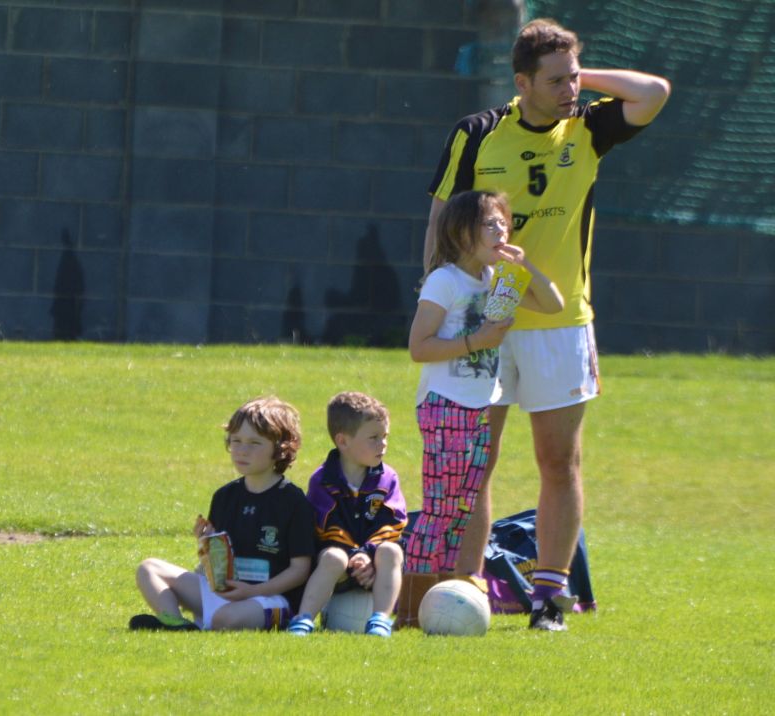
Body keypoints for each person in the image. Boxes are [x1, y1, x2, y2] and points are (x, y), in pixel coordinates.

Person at [424, 18, 669, 631]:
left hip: (561, 324)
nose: (570, 90)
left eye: (574, 77)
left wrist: (587, 75)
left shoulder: (590, 126)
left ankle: (549, 599)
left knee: (559, 461)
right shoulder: (478, 134)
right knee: (476, 461)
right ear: (522, 81)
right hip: (485, 323)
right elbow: (438, 227)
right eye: (556, 80)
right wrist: (439, 301)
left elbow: (654, 91)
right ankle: (464, 590)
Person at [404, 191, 561, 586]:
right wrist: (478, 341)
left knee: (463, 508)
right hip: (445, 406)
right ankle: (410, 598)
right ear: (460, 233)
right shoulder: (445, 280)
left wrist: (525, 266)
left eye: (504, 223)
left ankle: (446, 591)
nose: (502, 230)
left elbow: (554, 302)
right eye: (490, 224)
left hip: (480, 409)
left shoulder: (497, 279)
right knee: (440, 510)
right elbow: (419, 348)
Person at [130, 397, 316, 632]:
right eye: (236, 441)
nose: (241, 450)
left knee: (225, 620)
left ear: (281, 448)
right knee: (149, 568)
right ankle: (177, 624)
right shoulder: (225, 496)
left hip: (267, 598)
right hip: (225, 593)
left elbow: (300, 571)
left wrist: (253, 591)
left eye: (254, 443)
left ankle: (208, 621)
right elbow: (217, 563)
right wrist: (207, 543)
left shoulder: (293, 501)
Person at [287, 392, 407, 637]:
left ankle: (381, 620)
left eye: (385, 437)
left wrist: (369, 554)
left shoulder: (387, 478)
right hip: (340, 566)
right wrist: (355, 555)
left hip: (374, 565)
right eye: (373, 438)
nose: (382, 444)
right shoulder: (323, 480)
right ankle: (304, 619)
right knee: (333, 557)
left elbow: (394, 522)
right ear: (343, 441)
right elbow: (325, 527)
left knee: (392, 551)